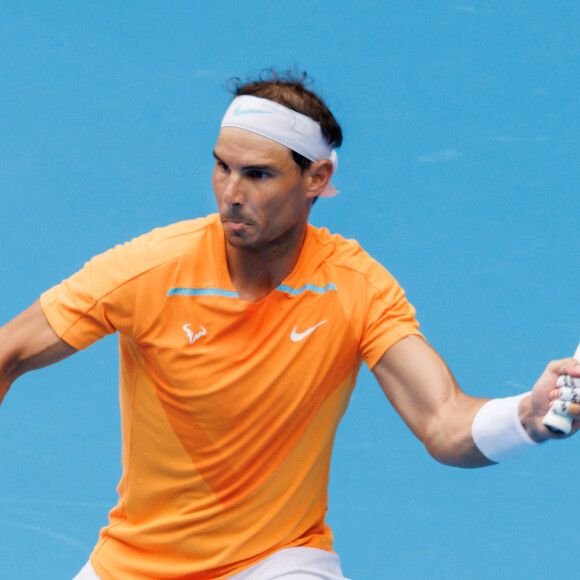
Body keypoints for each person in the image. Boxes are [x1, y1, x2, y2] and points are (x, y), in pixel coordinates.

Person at [1, 69, 579, 580]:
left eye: (256, 175)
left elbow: (442, 420)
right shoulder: (150, 270)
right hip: (134, 563)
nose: (229, 194)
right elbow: (11, 351)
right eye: (221, 167)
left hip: (277, 560)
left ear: (315, 177)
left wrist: (527, 415)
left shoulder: (356, 286)